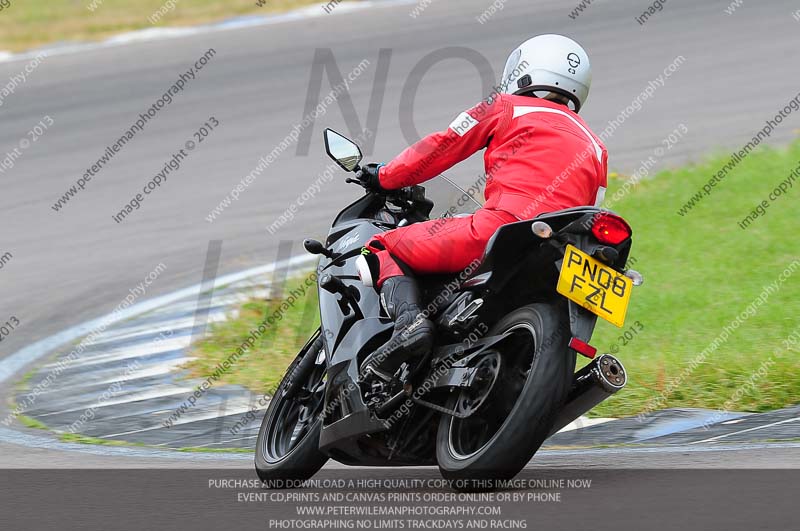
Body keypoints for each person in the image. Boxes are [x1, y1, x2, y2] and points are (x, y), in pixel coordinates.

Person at [356, 34, 608, 380]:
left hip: (502, 228)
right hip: (564, 253)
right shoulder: (596, 146)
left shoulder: (506, 106)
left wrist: (384, 176)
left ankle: (409, 327)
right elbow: (595, 207)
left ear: (524, 71)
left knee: (383, 246)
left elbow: (442, 146)